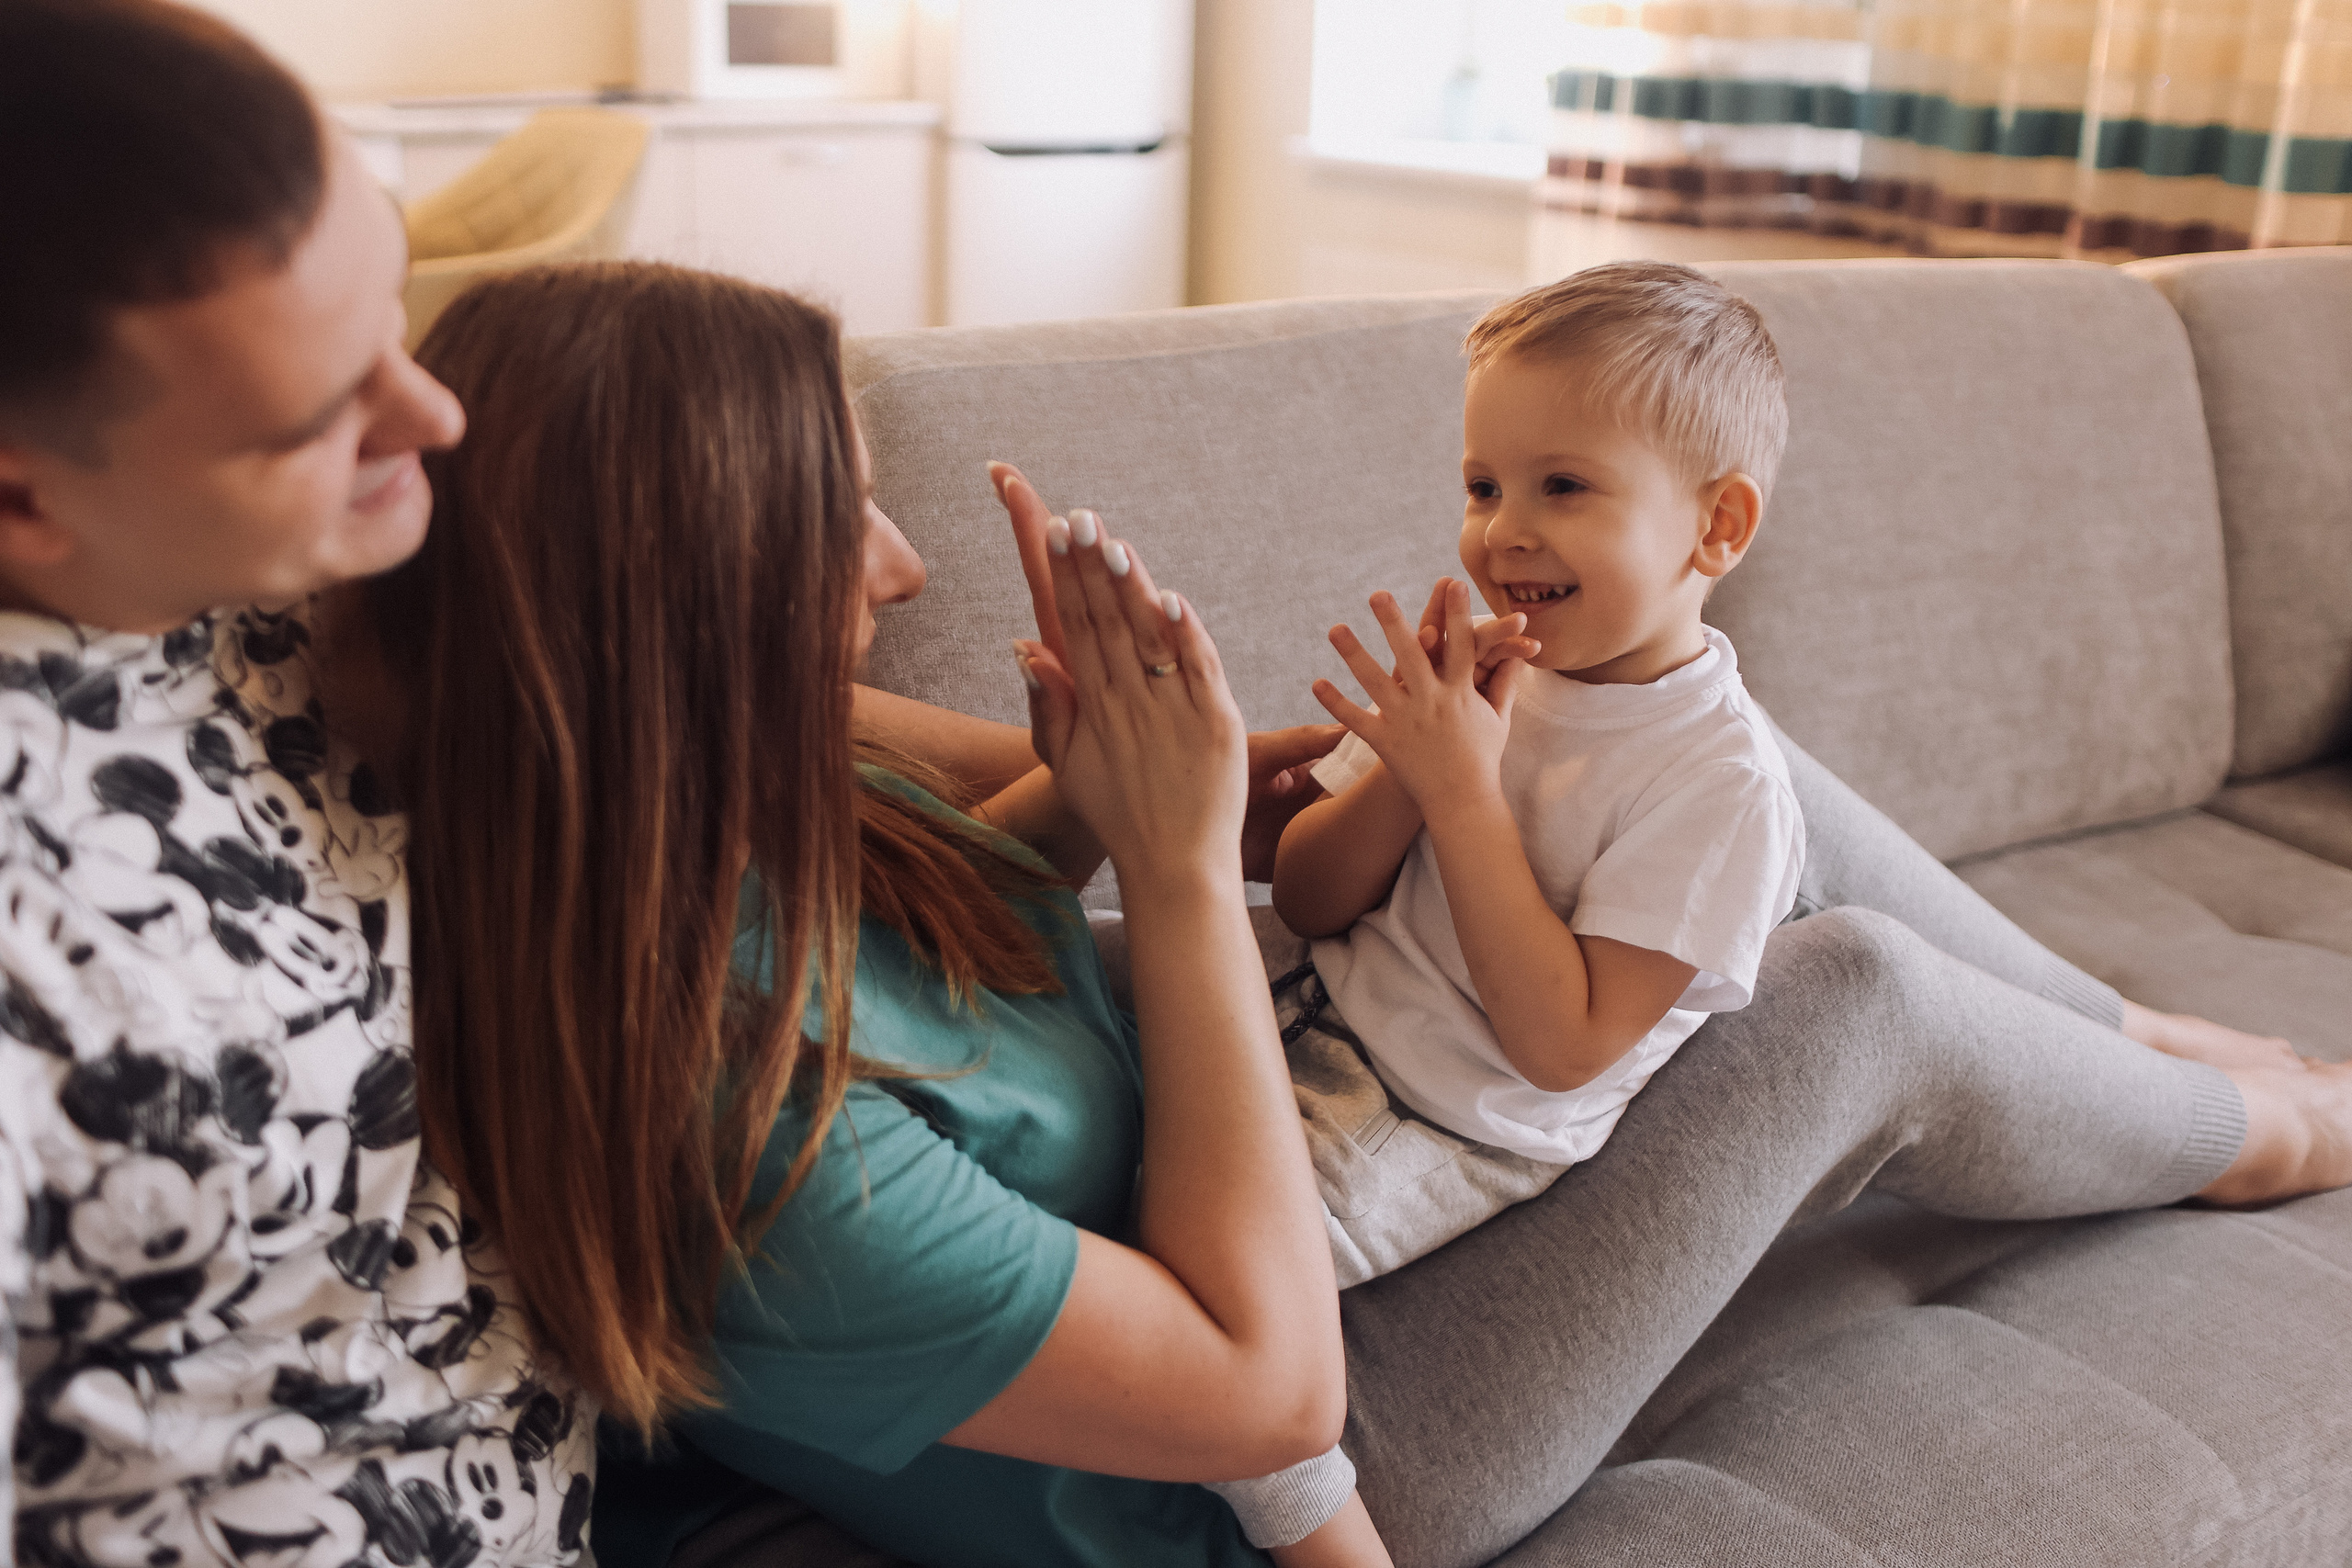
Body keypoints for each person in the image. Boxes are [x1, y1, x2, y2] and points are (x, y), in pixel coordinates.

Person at [369, 265, 2352, 1568]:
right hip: (1293, 1436)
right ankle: (2265, 1127)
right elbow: (1264, 1389)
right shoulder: (738, 1110)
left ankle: (2123, 1038)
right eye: (830, 511)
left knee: (1676, 742)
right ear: (669, 588)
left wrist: (1194, 746)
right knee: (1845, 995)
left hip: (1303, 1168)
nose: (891, 566)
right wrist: (1170, 862)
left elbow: (1152, 816)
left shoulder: (705, 747)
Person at [0, 2, 596, 1564]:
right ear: (20, 496)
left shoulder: (256, 553)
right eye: (321, 414)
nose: (433, 415)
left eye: (395, 307)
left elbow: (659, 665)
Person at [1213, 265, 1810, 1565]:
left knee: (1214, 1287)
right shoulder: (1488, 673)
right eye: (1484, 486)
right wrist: (1412, 770)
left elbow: (1564, 1044)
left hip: (1442, 1117)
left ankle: (1297, 1511)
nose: (1503, 532)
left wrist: (1462, 797)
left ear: (1717, 529)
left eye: (1564, 488)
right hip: (1305, 1010)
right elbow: (1310, 898)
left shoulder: (1721, 789)